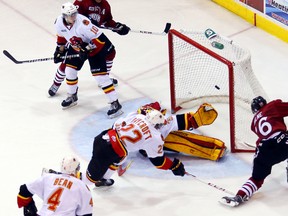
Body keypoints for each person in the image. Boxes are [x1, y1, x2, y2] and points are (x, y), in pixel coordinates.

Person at [81, 101, 220, 187]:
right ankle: (78, 186)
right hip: (108, 149)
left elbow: (115, 125)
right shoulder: (155, 137)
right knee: (90, 179)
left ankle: (103, 180)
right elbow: (158, 162)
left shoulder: (139, 115)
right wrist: (174, 166)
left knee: (120, 158)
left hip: (104, 137)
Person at [50, 2, 123, 118]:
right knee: (69, 71)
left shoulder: (84, 23)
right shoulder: (58, 22)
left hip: (95, 48)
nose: (74, 16)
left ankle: (115, 103)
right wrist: (59, 50)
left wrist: (87, 49)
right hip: (77, 46)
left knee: (100, 77)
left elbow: (100, 40)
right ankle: (72, 96)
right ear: (64, 16)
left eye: (75, 13)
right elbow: (61, 37)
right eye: (71, 15)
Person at [220, 96, 288, 207]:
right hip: (282, 143)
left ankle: (240, 195)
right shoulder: (272, 106)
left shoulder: (254, 124)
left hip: (263, 149)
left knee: (256, 179)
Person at [17, 155, 93, 216]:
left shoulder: (48, 177)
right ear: (77, 168)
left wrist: (31, 210)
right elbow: (86, 213)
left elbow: (23, 190)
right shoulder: (82, 186)